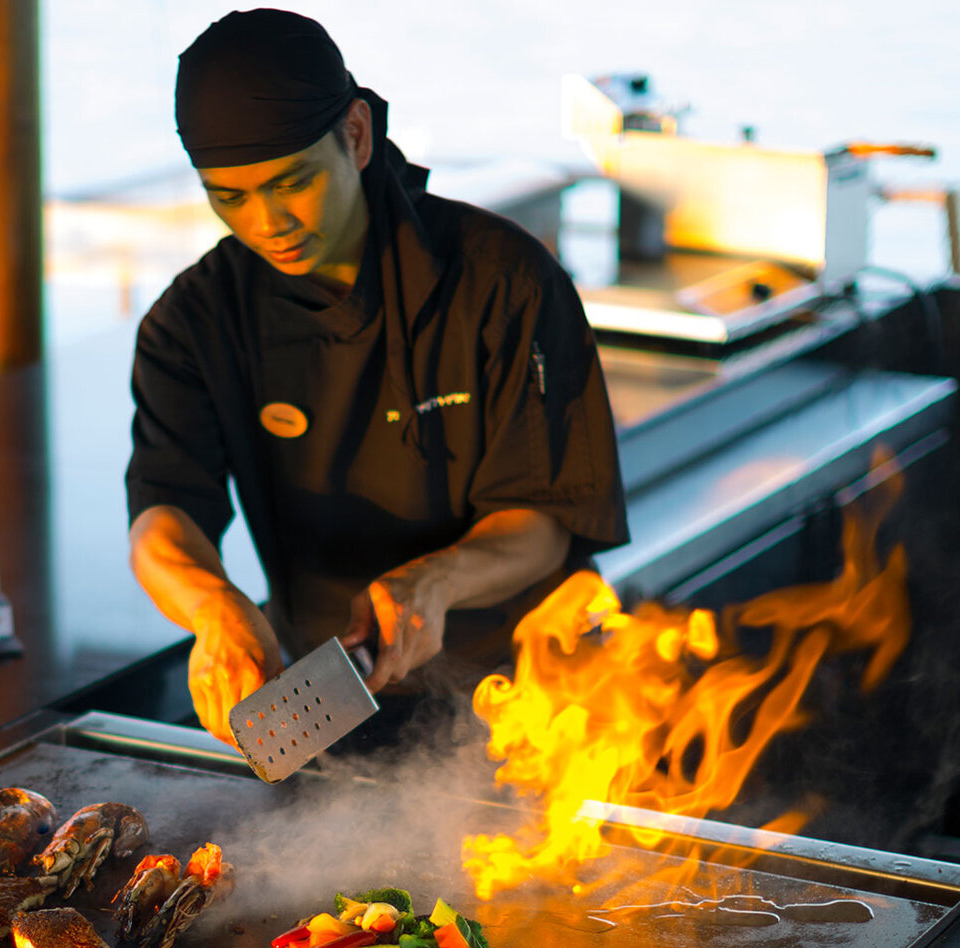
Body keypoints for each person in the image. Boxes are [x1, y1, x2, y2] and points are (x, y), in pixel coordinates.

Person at [125, 8, 627, 744]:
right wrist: (213, 606)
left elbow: (547, 522)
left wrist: (438, 579)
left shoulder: (503, 280)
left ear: (356, 136)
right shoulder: (193, 319)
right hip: (329, 701)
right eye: (229, 197)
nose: (267, 223)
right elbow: (164, 514)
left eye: (290, 182)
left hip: (531, 696)